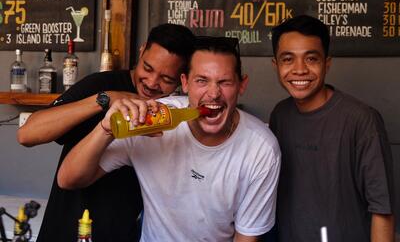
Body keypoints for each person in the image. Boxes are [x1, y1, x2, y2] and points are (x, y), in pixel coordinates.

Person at [57, 36, 281, 241]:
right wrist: (105, 130)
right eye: (202, 80)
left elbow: (246, 237)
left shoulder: (261, 148)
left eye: (225, 82)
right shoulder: (154, 118)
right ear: (185, 83)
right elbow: (68, 179)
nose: (213, 94)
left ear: (242, 85)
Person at [17, 23, 195, 242]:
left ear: (182, 79)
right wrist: (105, 99)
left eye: (166, 79)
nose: (152, 83)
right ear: (141, 52)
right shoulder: (101, 85)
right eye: (147, 68)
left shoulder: (175, 112)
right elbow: (26, 135)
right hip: (66, 230)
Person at [269, 15, 394, 242]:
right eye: (288, 59)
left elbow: (382, 209)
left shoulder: (362, 120)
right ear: (275, 65)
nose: (299, 70)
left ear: (327, 63)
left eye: (311, 59)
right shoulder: (280, 114)